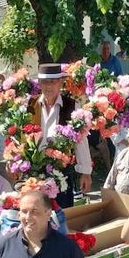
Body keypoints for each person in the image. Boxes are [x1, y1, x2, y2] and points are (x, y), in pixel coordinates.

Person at [27, 63, 92, 207]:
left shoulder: (72, 106)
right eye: (45, 82)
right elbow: (21, 138)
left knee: (62, 217)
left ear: (60, 83)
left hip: (61, 173)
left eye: (53, 81)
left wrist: (85, 172)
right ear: (40, 83)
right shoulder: (30, 104)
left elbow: (81, 140)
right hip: (34, 173)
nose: (48, 86)